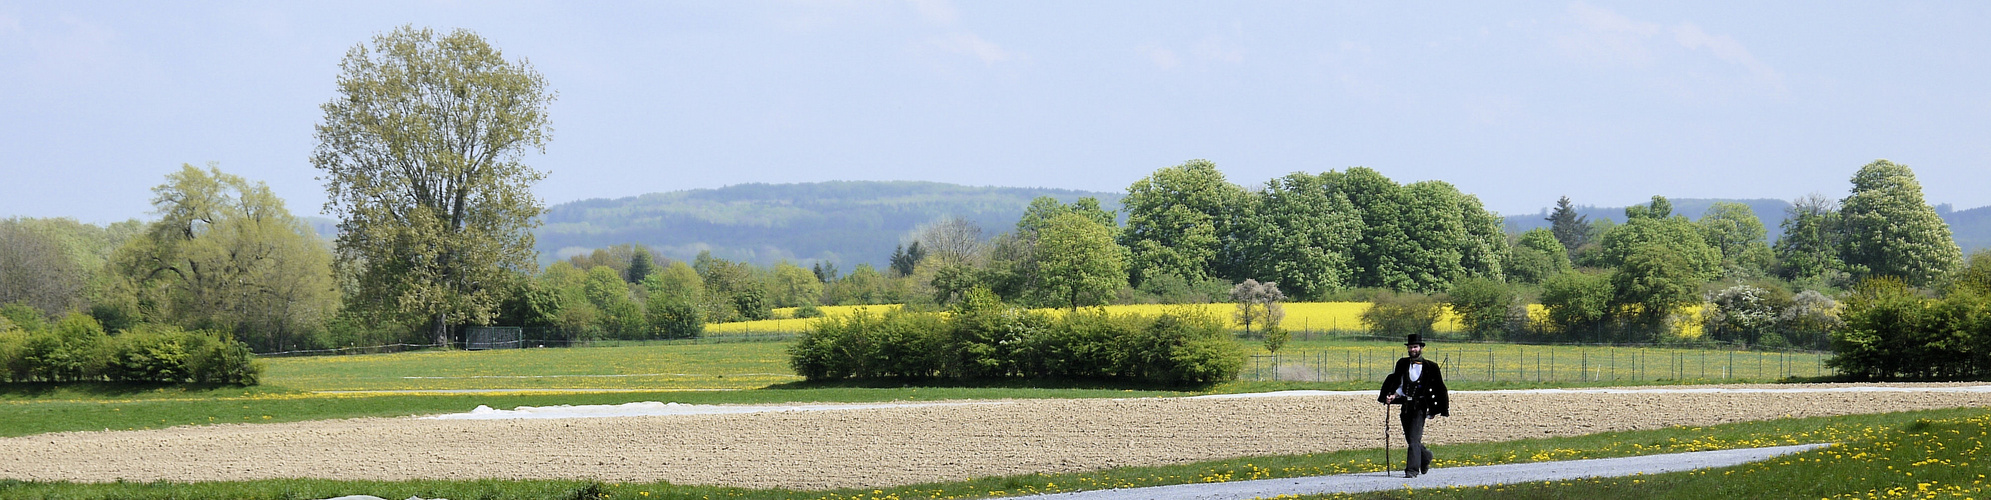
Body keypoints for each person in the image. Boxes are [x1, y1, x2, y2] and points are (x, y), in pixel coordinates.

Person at [1378, 333, 1449, 477]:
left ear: (1421, 348)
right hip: (1406, 406)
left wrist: (1436, 409)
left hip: (1421, 406)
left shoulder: (1431, 366)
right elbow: (1399, 383)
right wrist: (1393, 395)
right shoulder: (1402, 364)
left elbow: (1439, 388)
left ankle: (1412, 470)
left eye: (1415, 347)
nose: (1413, 349)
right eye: (1411, 347)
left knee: (1413, 439)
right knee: (1411, 439)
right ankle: (1426, 456)